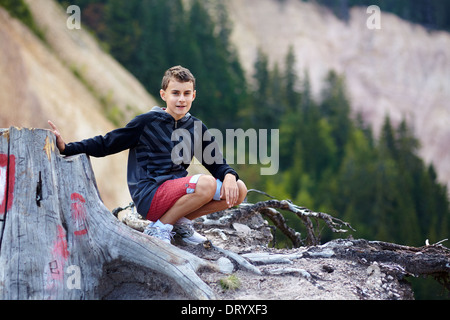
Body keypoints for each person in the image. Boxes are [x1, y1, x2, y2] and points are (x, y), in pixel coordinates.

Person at [48, 66, 247, 245]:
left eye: (186, 93)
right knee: (207, 184)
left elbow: (216, 163)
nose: (181, 99)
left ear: (194, 95)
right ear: (163, 94)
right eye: (175, 93)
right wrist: (67, 148)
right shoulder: (146, 122)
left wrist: (229, 175)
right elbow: (107, 143)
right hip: (150, 195)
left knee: (239, 189)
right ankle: (159, 228)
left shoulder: (195, 127)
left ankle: (179, 225)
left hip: (176, 194)